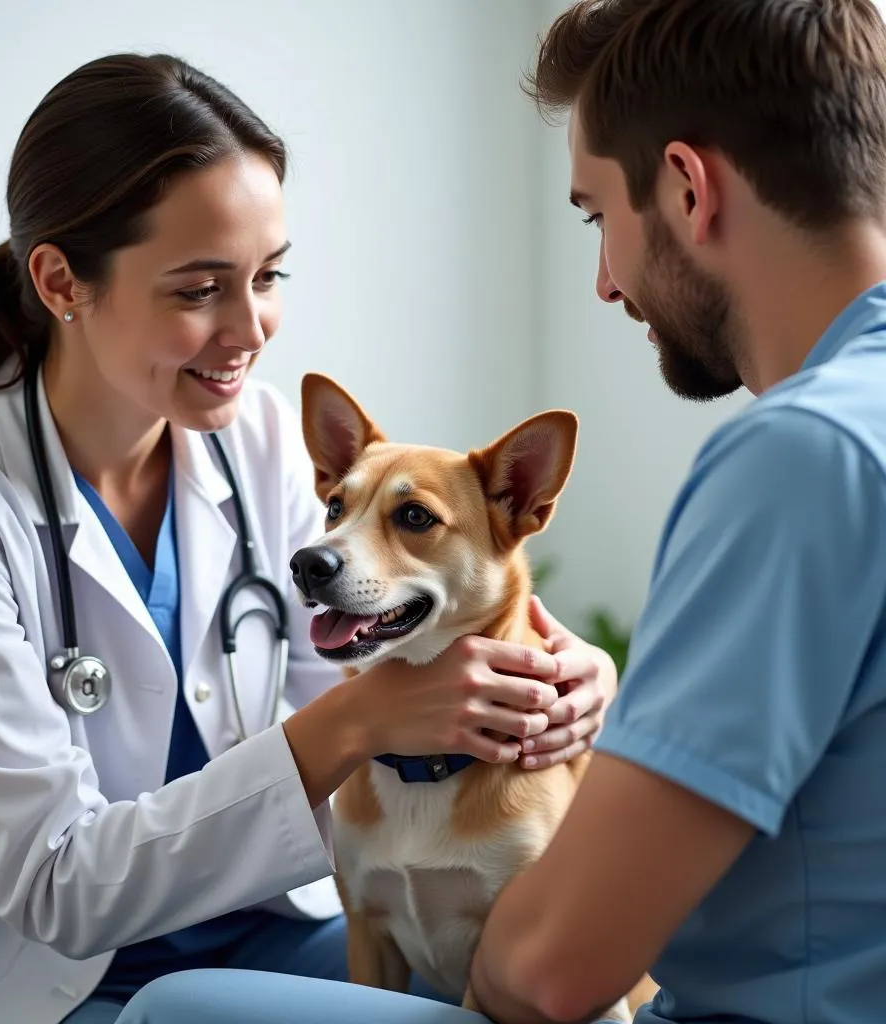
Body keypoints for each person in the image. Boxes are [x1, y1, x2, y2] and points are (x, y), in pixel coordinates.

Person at [116, 1, 886, 1022]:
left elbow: (546, 971)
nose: (606, 283)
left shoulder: (799, 455)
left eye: (593, 216)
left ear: (688, 189)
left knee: (177, 1010)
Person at [0, 53, 617, 1024]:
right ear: (59, 280)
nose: (250, 328)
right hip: (28, 984)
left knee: (510, 988)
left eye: (268, 276)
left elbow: (361, 658)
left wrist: (564, 674)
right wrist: (356, 722)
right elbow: (56, 887)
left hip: (256, 928)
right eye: (197, 289)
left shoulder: (246, 439)